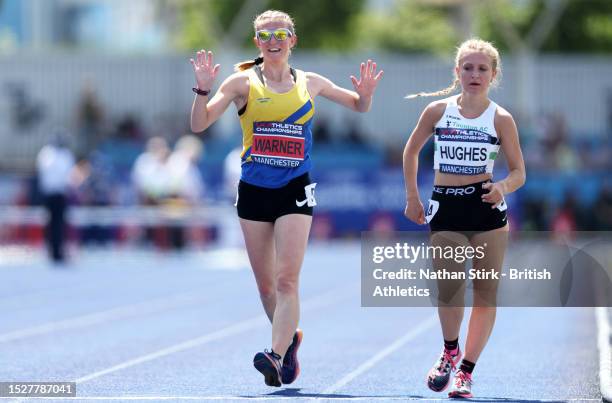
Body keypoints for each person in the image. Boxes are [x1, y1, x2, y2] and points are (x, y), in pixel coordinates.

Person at [190, 9, 383, 387]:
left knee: (286, 281)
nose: (273, 41)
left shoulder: (310, 83)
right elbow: (198, 125)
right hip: (254, 192)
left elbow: (359, 107)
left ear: (293, 40)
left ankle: (274, 356)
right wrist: (202, 89)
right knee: (266, 288)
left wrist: (366, 94)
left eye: (281, 34)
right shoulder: (241, 83)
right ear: (256, 43)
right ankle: (290, 340)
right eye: (265, 35)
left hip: (295, 189)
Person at [402, 38, 525, 398]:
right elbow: (411, 151)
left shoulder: (501, 118)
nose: (474, 74)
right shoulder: (437, 111)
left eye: (482, 68)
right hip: (446, 207)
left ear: (493, 75)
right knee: (450, 290)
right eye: (468, 68)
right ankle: (449, 350)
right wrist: (412, 196)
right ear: (457, 72)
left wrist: (503, 186)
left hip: (486, 209)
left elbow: (520, 172)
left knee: (486, 294)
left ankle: (466, 371)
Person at [36, 131, 76, 263]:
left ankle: (59, 251)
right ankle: (51, 251)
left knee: (59, 224)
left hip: (60, 194)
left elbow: (68, 176)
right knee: (51, 223)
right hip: (50, 194)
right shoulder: (47, 153)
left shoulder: (64, 154)